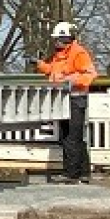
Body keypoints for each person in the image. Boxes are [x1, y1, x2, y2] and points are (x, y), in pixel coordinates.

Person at [36, 21, 97, 183]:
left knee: (71, 137)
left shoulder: (78, 53)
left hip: (75, 99)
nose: (55, 42)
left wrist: (71, 80)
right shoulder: (61, 54)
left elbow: (89, 75)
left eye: (57, 38)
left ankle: (71, 174)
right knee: (72, 137)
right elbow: (54, 72)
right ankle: (83, 173)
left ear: (66, 38)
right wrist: (39, 65)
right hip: (64, 99)